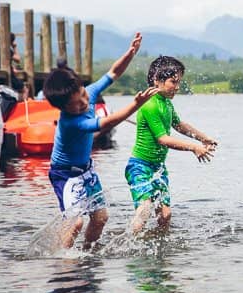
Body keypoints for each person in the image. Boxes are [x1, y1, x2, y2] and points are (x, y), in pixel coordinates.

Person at [43, 33, 158, 250]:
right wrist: (136, 104)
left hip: (86, 169)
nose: (84, 104)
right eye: (77, 105)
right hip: (65, 175)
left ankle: (88, 253)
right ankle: (63, 262)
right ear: (63, 108)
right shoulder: (71, 123)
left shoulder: (88, 93)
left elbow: (113, 72)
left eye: (84, 96)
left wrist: (130, 53)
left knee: (101, 217)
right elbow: (108, 122)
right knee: (75, 221)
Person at [125, 56, 218, 234]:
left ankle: (160, 247)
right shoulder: (150, 104)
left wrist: (202, 138)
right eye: (173, 82)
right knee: (144, 210)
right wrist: (193, 147)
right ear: (156, 80)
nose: (177, 87)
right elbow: (163, 139)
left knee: (165, 215)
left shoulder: (166, 103)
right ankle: (130, 246)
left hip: (158, 168)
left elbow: (179, 125)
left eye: (179, 82)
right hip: (139, 167)